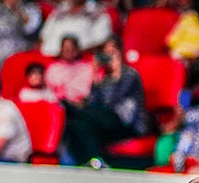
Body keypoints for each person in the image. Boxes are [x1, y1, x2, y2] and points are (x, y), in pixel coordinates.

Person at [61, 36, 148, 166]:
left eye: (112, 53)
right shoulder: (103, 77)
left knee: (81, 113)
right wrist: (95, 78)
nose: (109, 57)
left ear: (120, 53)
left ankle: (73, 109)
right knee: (78, 123)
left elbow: (112, 102)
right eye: (106, 54)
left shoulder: (130, 74)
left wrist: (116, 74)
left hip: (126, 124)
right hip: (104, 122)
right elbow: (93, 102)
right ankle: (94, 161)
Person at [37, 0, 114, 56]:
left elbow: (102, 40)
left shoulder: (97, 13)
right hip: (50, 56)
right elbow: (44, 35)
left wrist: (71, 53)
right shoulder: (59, 11)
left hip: (81, 58)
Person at [44, 36, 95, 104]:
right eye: (66, 48)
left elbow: (89, 90)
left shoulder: (86, 68)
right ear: (61, 49)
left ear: (77, 50)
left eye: (71, 48)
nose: (68, 51)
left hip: (82, 105)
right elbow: (48, 90)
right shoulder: (53, 69)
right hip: (59, 104)